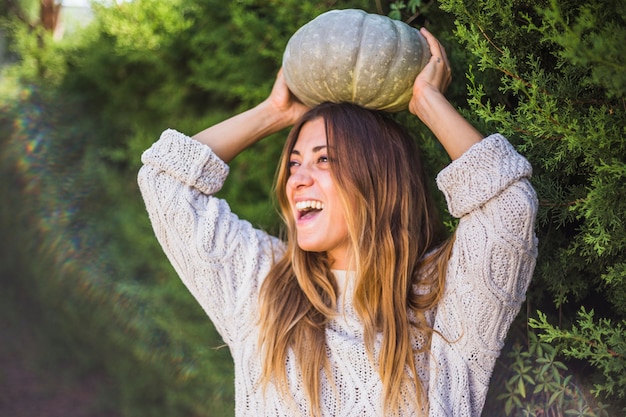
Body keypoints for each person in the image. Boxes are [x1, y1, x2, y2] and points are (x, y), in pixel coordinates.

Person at [138, 27, 538, 417]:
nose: (298, 178)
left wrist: (427, 101)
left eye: (324, 159)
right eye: (294, 162)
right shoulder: (264, 288)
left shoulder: (443, 299)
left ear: (380, 177)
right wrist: (273, 113)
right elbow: (165, 184)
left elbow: (509, 210)